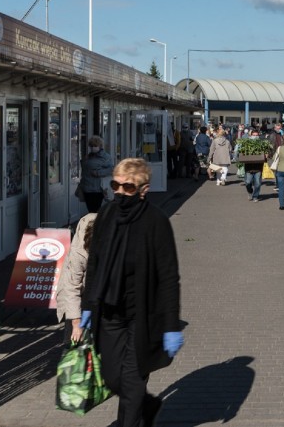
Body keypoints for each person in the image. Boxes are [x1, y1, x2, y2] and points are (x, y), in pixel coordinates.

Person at [79, 158, 182, 427]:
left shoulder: (156, 222)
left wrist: (171, 325)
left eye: (128, 188)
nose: (120, 192)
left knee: (133, 381)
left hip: (144, 315)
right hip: (110, 311)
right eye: (116, 185)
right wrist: (88, 304)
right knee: (113, 378)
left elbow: (170, 277)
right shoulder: (107, 215)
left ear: (144, 190)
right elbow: (95, 262)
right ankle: (148, 406)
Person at [55, 212, 97, 344]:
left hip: (98, 297)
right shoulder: (79, 253)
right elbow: (72, 287)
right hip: (79, 294)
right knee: (74, 341)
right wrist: (76, 322)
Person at [79, 135, 114, 213]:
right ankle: (94, 223)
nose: (92, 148)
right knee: (91, 210)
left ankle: (96, 224)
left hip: (97, 189)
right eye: (91, 146)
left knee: (95, 210)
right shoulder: (88, 156)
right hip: (87, 188)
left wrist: (98, 173)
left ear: (100, 146)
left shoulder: (106, 157)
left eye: (95, 145)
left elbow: (111, 169)